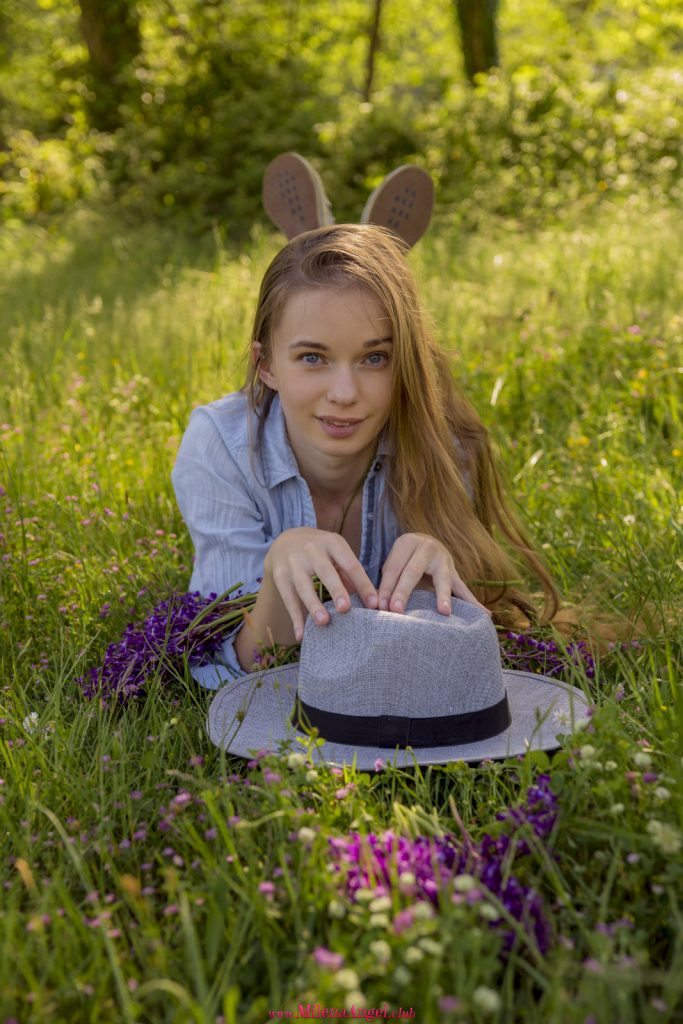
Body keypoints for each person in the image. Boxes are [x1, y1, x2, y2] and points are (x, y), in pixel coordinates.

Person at [172, 161, 569, 686]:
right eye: (313, 358)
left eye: (374, 358)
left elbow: (444, 662)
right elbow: (227, 664)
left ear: (406, 363)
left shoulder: (442, 447)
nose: (344, 394)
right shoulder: (220, 446)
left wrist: (432, 585)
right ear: (265, 366)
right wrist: (279, 570)